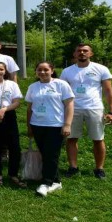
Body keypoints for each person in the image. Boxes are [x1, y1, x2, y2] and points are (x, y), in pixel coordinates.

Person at [60, 43, 112, 179]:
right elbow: (61, 92)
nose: (82, 53)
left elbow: (108, 91)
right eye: (79, 51)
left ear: (91, 54)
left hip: (95, 108)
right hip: (73, 108)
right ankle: (73, 167)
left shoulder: (101, 69)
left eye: (85, 51)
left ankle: (99, 169)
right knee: (72, 139)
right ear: (74, 54)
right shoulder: (67, 71)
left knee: (98, 139)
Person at [25, 61, 74, 197]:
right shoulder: (33, 87)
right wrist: (29, 127)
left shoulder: (61, 84)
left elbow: (69, 105)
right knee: (45, 154)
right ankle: (56, 181)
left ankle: (46, 183)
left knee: (51, 154)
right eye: (39, 70)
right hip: (37, 125)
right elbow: (29, 109)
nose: (42, 72)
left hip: (55, 125)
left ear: (52, 70)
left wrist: (67, 124)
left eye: (46, 70)